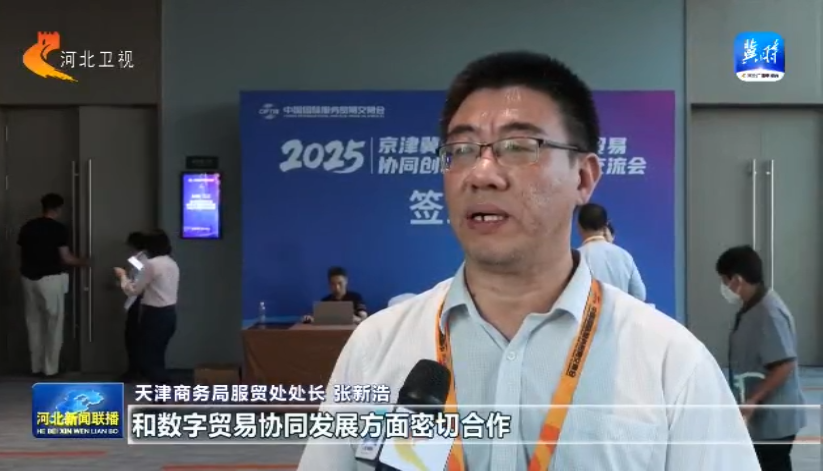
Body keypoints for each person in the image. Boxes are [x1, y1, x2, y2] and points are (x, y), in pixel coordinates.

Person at [298, 51, 758, 470]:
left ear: (584, 177)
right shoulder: (376, 348)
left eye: (518, 147)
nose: (482, 173)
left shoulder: (671, 363)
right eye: (461, 151)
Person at [717, 245, 806, 471]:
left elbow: (784, 365)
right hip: (762, 419)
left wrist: (753, 400)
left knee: (772, 464)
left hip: (775, 421)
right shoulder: (752, 306)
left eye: (724, 281)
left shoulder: (769, 312)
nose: (724, 287)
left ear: (737, 280)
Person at [17, 193, 87, 378]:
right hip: (50, 279)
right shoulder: (58, 229)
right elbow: (66, 258)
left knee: (34, 323)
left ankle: (36, 367)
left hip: (28, 279)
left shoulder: (27, 227)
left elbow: (22, 252)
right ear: (58, 208)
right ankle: (50, 369)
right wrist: (84, 262)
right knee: (53, 324)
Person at [114, 230, 179, 384]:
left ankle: (159, 389)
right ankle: (162, 387)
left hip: (154, 314)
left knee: (148, 356)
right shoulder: (171, 263)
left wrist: (122, 276)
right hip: (169, 313)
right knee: (157, 354)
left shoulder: (151, 264)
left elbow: (133, 290)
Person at [576, 203, 646, 301]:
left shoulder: (576, 258)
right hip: (621, 310)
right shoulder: (624, 256)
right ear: (605, 226)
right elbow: (640, 295)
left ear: (579, 226)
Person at [121, 231, 149, 381]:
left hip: (138, 301)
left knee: (133, 338)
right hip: (137, 301)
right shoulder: (139, 259)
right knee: (134, 337)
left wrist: (122, 279)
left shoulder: (141, 260)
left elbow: (137, 283)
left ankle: (135, 371)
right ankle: (136, 370)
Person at [302, 266, 368, 324]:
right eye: (333, 284)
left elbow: (364, 317)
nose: (337, 287)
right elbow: (315, 318)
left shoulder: (356, 297)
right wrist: (309, 318)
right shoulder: (325, 301)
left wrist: (357, 319)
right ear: (329, 284)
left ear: (346, 281)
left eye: (340, 283)